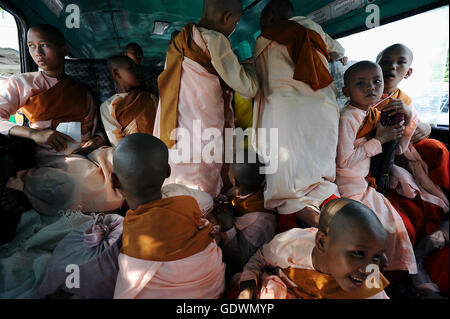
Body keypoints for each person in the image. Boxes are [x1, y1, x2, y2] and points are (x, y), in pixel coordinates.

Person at [0, 24, 123, 219]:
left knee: (125, 163)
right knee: (76, 184)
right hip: (50, 155)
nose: (37, 53)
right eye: (31, 46)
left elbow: (96, 127)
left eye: (44, 45)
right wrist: (34, 133)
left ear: (64, 49)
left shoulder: (81, 92)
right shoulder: (22, 83)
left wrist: (97, 140)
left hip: (86, 152)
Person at [252, 0, 347, 232]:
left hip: (285, 108)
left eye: (262, 21)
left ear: (270, 17)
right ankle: (326, 204)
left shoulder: (264, 39)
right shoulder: (314, 28)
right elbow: (339, 50)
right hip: (323, 106)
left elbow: (259, 81)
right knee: (317, 163)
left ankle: (302, 212)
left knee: (284, 168)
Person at [153, 0, 259, 198]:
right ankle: (205, 216)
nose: (233, 29)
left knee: (179, 168)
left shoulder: (179, 42)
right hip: (202, 122)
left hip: (174, 121)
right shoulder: (215, 40)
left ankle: (178, 210)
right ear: (226, 17)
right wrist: (251, 66)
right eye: (235, 24)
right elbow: (247, 87)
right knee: (202, 171)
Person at [112, 133, 225, 299]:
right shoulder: (182, 196)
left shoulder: (132, 235)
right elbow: (207, 201)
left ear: (114, 181)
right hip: (214, 288)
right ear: (168, 172)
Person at [336, 61, 417, 275]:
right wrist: (379, 140)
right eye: (360, 84)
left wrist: (403, 122)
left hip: (363, 185)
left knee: (396, 225)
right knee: (375, 233)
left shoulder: (374, 113)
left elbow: (400, 148)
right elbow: (343, 161)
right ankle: (374, 279)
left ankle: (398, 275)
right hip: (348, 188)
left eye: (376, 81)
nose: (371, 87)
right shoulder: (348, 117)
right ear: (346, 91)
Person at [238, 198, 390, 299]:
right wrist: (247, 284)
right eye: (357, 253)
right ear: (322, 242)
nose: (369, 268)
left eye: (376, 256)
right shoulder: (290, 246)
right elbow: (259, 259)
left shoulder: (369, 287)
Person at [375, 44, 448, 245]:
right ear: (376, 65)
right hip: (381, 159)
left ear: (408, 72)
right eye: (386, 61)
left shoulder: (404, 99)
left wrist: (423, 126)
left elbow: (415, 122)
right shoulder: (363, 95)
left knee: (436, 147)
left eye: (400, 63)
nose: (392, 66)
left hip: (406, 153)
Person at [212, 150, 276, 274]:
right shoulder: (247, 191)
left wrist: (228, 227)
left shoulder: (259, 222)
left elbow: (241, 261)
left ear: (235, 181)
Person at [100, 55, 158, 147]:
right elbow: (116, 141)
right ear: (116, 74)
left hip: (157, 147)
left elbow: (161, 125)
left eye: (137, 68)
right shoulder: (108, 106)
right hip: (130, 152)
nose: (138, 72)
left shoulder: (150, 98)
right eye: (132, 69)